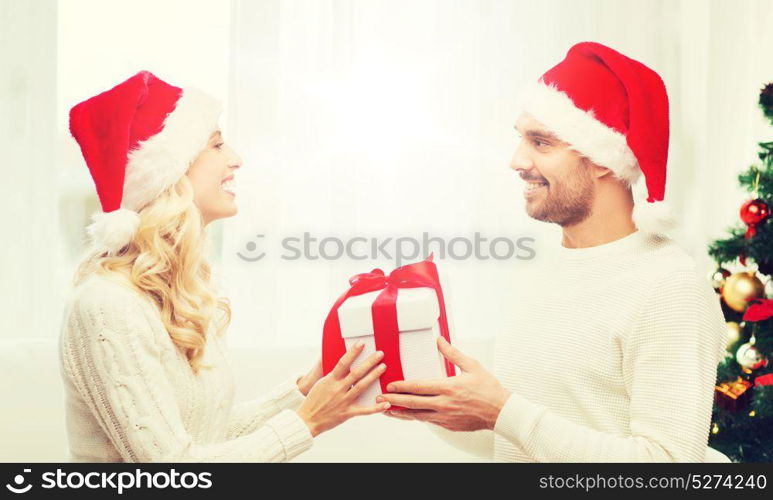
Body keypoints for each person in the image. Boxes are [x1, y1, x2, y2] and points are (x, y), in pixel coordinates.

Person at [378, 42, 728, 462]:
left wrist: (502, 410)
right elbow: (525, 440)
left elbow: (667, 465)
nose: (516, 161)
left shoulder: (669, 289)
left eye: (541, 143)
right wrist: (437, 408)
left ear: (603, 159)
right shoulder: (544, 271)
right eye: (521, 139)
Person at [59, 71, 390, 462]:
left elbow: (206, 438)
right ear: (171, 174)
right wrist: (308, 421)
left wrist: (305, 390)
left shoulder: (177, 291)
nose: (236, 158)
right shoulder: (106, 306)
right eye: (217, 145)